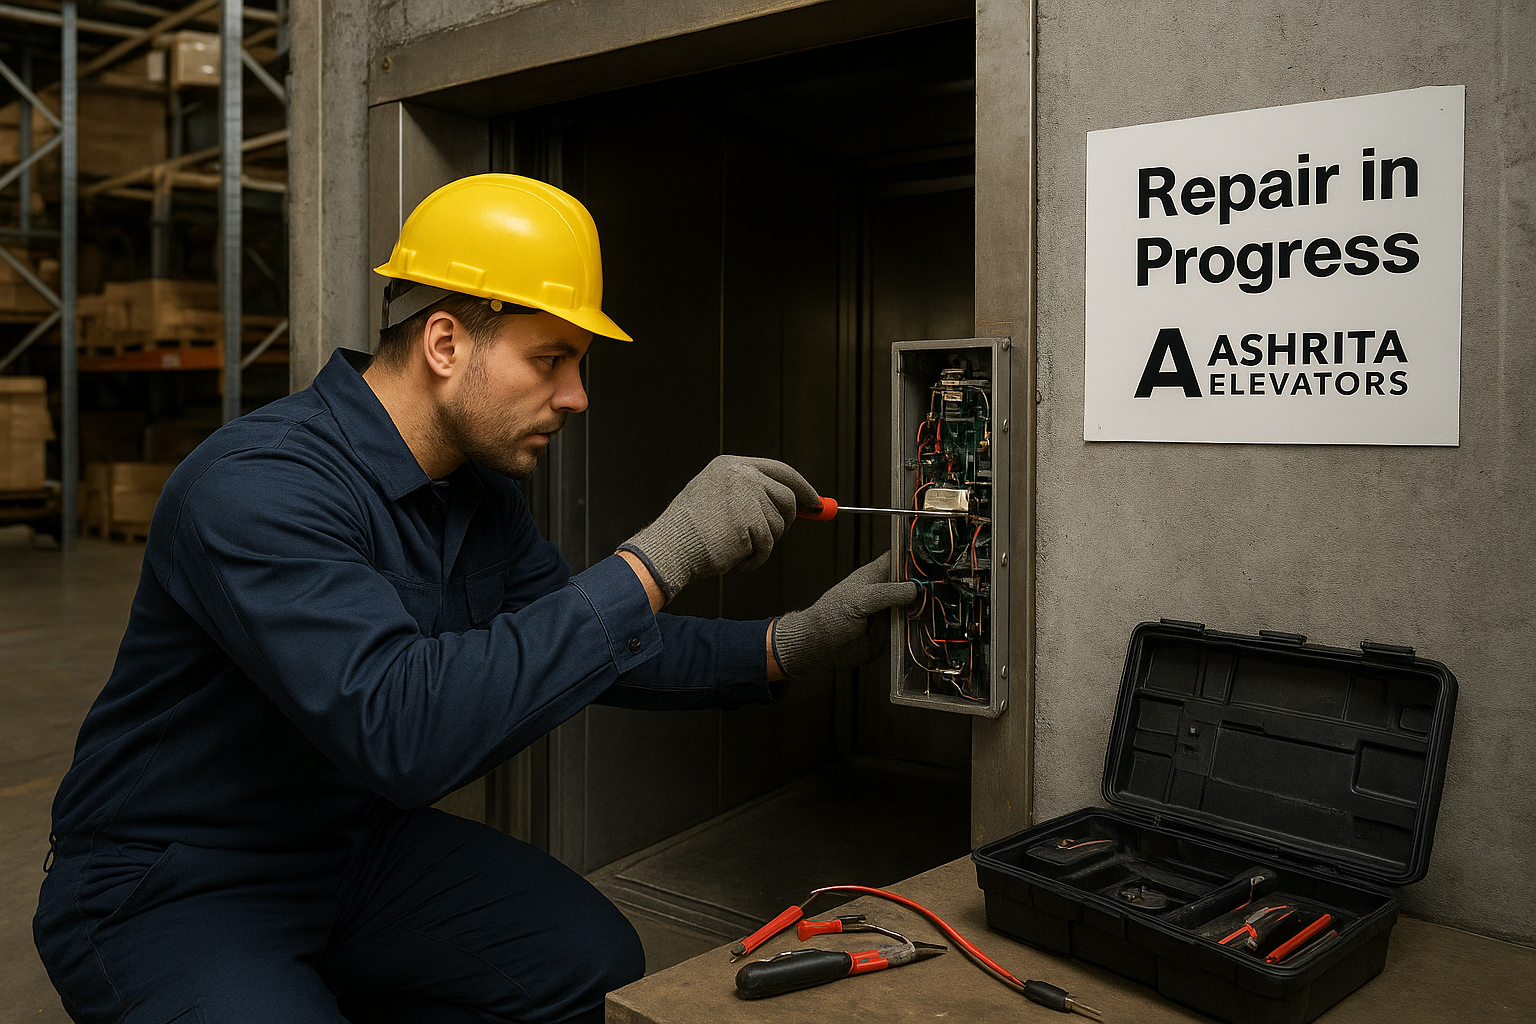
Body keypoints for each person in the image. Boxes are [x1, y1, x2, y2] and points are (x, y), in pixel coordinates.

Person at [33, 174, 916, 1024]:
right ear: (445, 342)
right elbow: (401, 730)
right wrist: (661, 556)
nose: (575, 397)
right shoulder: (258, 487)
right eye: (551, 360)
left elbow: (583, 638)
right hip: (174, 878)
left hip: (350, 850)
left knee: (588, 966)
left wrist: (788, 644)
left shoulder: (475, 492)